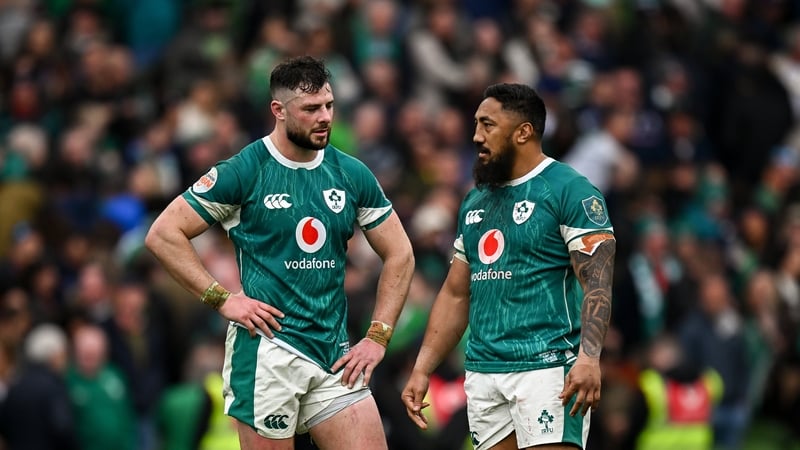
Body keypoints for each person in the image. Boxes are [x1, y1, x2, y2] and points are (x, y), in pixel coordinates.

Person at [144, 55, 415, 450]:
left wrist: (377, 336)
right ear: (279, 111)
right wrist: (221, 299)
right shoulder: (245, 170)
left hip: (334, 356)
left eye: (329, 105)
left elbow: (401, 254)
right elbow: (164, 234)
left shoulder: (352, 172)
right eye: (311, 109)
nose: (324, 117)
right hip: (268, 357)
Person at [401, 83, 616, 450]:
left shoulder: (569, 190)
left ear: (523, 132)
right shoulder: (474, 202)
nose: (476, 136)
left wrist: (589, 358)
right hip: (484, 373)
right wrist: (422, 368)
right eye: (476, 124)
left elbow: (597, 283)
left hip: (546, 368)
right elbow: (455, 294)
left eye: (487, 125)